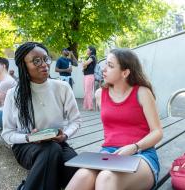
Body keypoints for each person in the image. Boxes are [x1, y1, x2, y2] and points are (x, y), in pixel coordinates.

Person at [66, 48, 163, 190]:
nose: (104, 69)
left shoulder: (142, 92)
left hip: (141, 153)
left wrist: (134, 147)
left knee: (106, 177)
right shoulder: (100, 94)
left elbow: (157, 132)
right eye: (105, 64)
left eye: (110, 66)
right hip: (109, 153)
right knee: (83, 175)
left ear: (125, 72)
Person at [1, 42, 81, 190]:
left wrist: (65, 135)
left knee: (76, 169)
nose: (44, 64)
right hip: (25, 146)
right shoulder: (14, 94)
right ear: (23, 66)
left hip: (58, 143)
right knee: (50, 150)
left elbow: (75, 121)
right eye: (36, 61)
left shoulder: (62, 87)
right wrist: (28, 138)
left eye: (46, 59)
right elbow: (7, 133)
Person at [82, 46, 97, 111]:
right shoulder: (89, 57)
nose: (86, 50)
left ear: (91, 50)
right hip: (86, 76)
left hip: (90, 76)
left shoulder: (92, 57)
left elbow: (85, 64)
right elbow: (84, 67)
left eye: (87, 49)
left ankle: (90, 107)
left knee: (88, 91)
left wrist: (83, 62)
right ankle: (86, 106)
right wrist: (84, 65)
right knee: (86, 91)